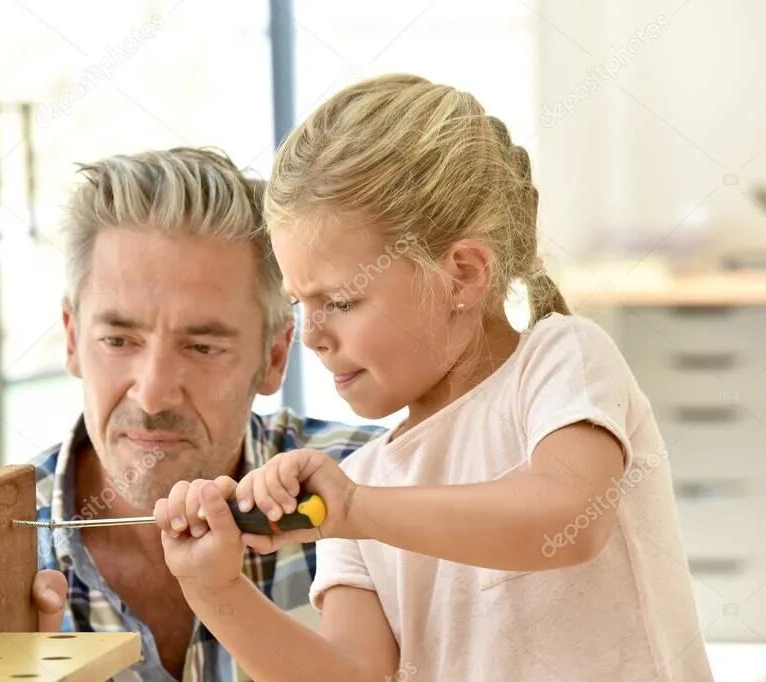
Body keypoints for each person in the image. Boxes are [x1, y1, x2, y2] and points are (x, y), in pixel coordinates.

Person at [153, 74, 713, 680]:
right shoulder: (362, 484)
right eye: (298, 303)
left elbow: (566, 520)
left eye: (339, 302)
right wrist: (216, 594)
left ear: (463, 276)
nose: (311, 335)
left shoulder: (561, 363)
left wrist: (356, 510)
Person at [28, 147, 380, 681]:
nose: (152, 396)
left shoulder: (372, 487)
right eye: (119, 339)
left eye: (202, 347)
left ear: (274, 356)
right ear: (73, 339)